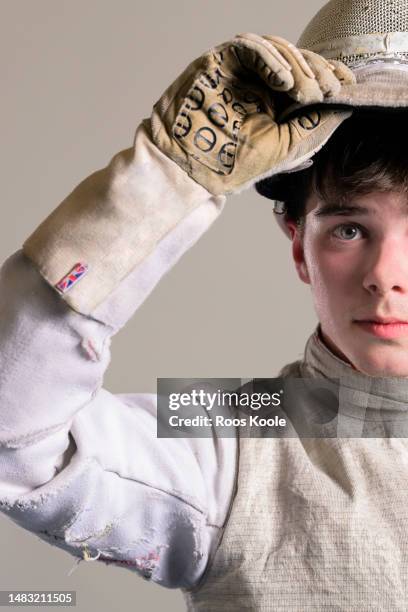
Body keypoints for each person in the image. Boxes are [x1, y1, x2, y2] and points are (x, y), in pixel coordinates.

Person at [2, 0, 408, 609]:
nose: (384, 277)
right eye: (349, 229)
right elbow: (15, 434)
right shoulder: (237, 428)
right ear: (299, 245)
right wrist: (165, 179)